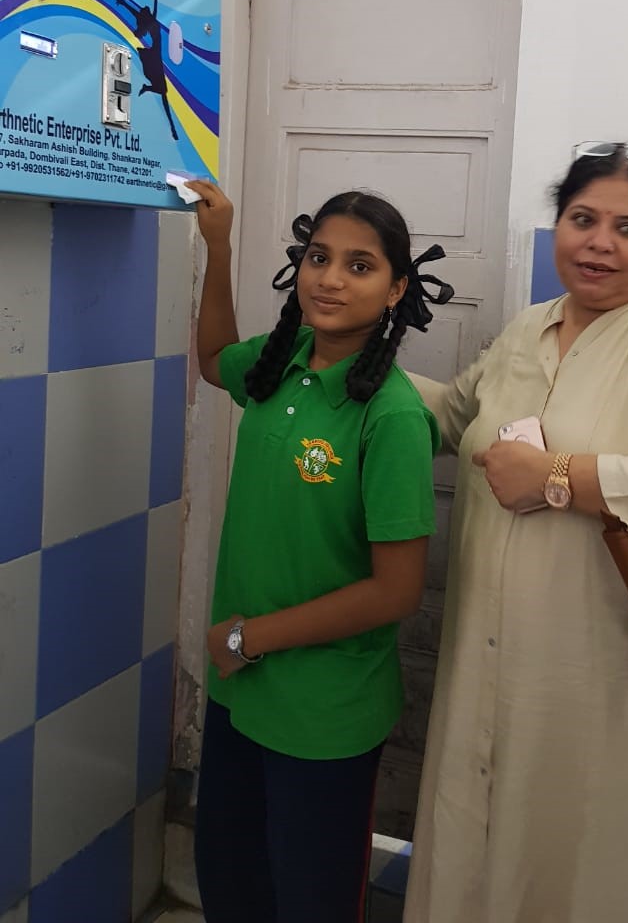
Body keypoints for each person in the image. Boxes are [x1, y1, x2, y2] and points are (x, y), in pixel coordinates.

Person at [403, 142, 628, 923]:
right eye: (582, 219)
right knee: (485, 857)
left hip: (614, 677)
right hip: (490, 658)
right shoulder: (528, 328)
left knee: (588, 862)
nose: (598, 243)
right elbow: (452, 419)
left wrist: (557, 478)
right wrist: (348, 360)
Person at [187, 180, 453, 923]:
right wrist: (218, 246)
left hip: (323, 714)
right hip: (241, 689)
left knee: (311, 901)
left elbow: (396, 591)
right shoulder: (281, 361)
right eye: (318, 257)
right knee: (231, 885)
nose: (330, 278)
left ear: (396, 290)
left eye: (359, 266)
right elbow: (213, 359)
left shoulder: (391, 416)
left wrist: (247, 637)